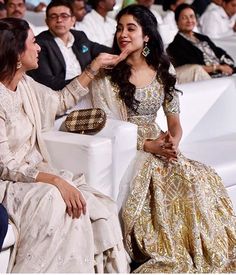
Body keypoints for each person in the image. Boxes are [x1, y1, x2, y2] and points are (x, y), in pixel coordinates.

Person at [79, 4, 236, 272]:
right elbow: (108, 125)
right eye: (119, 28)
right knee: (163, 179)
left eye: (131, 28)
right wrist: (148, 145)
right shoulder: (108, 74)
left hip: (160, 142)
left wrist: (173, 141)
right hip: (128, 148)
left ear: (147, 36)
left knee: (200, 176)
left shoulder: (164, 69)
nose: (123, 34)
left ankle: (199, 246)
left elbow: (174, 121)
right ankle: (168, 248)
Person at [0, 17, 130, 272]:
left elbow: (61, 101)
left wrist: (93, 68)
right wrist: (56, 181)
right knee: (56, 197)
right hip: (11, 183)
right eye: (33, 43)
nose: (39, 48)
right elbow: (4, 166)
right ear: (17, 53)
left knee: (96, 205)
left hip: (39, 174)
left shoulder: (26, 85)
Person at [28, 0, 111, 90]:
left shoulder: (79, 36)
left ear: (73, 20)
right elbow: (47, 82)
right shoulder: (40, 44)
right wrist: (85, 80)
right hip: (61, 95)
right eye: (53, 16)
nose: (59, 20)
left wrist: (123, 53)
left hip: (87, 89)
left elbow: (97, 48)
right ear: (47, 21)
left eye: (64, 16)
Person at [167, 3, 235, 78]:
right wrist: (218, 67)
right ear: (177, 22)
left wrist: (226, 66)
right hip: (207, 78)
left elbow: (220, 52)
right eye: (184, 18)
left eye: (191, 16)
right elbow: (193, 68)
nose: (189, 20)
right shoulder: (176, 45)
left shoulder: (203, 38)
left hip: (225, 72)